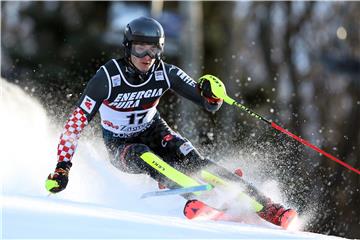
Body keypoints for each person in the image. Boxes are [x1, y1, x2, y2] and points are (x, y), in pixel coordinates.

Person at [45, 17, 295, 227]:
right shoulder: (108, 77)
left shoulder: (166, 73)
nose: (147, 56)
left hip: (155, 130)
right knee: (143, 154)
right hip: (120, 144)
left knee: (195, 162)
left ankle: (269, 208)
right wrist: (63, 166)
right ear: (127, 48)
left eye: (153, 49)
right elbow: (76, 122)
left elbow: (209, 103)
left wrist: (211, 93)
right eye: (140, 48)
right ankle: (195, 198)